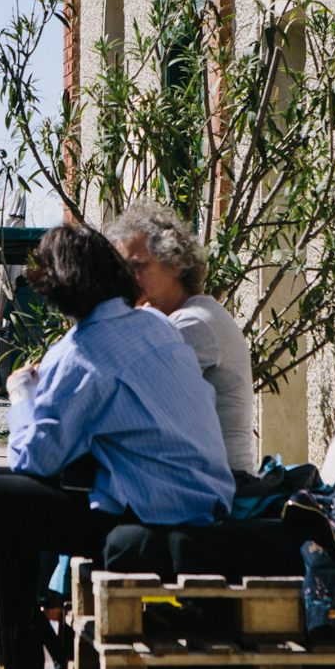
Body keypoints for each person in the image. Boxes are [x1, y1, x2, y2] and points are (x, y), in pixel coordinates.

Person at [0, 224, 234, 669]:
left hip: (156, 518)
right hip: (205, 500)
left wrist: (22, 392)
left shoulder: (83, 351)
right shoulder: (154, 325)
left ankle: (1, 662)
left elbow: (32, 461)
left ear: (54, 290)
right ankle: (16, 648)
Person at [105, 201, 255, 473]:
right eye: (122, 271)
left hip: (220, 489)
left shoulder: (193, 323)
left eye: (139, 267)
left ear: (175, 264)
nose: (128, 279)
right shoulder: (174, 317)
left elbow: (122, 393)